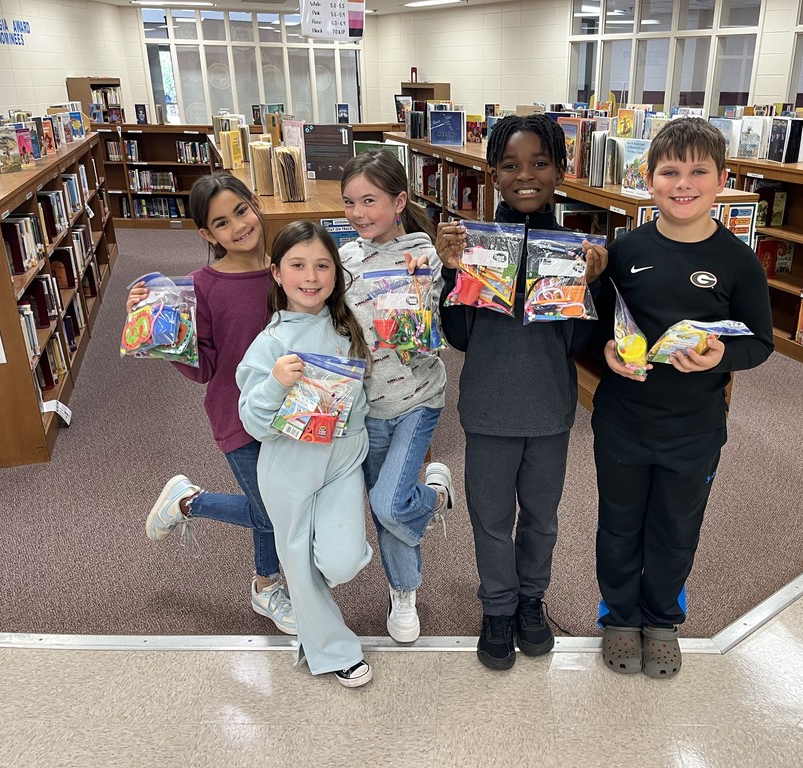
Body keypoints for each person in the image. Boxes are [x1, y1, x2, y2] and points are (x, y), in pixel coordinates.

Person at [592, 117, 774, 678]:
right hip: (623, 419)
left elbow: (761, 343)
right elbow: (597, 328)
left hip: (694, 428)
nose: (684, 184)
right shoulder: (624, 251)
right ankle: (619, 617)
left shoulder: (739, 260)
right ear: (648, 179)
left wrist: (722, 358)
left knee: (675, 529)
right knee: (619, 524)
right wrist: (606, 353)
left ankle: (662, 620)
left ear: (723, 180)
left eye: (699, 171)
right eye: (670, 172)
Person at [435, 114, 608, 671]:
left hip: (549, 410)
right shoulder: (478, 245)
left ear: (560, 171)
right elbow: (460, 337)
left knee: (541, 518)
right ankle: (498, 608)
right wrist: (451, 273)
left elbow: (580, 342)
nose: (525, 175)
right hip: (488, 409)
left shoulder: (574, 249)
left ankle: (531, 600)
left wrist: (590, 284)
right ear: (493, 173)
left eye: (540, 163)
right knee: (490, 518)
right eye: (510, 165)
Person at [127, 173, 295, 636]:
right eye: (222, 223)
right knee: (271, 511)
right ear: (207, 234)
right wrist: (155, 325)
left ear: (255, 203)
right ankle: (190, 503)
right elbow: (201, 368)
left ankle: (266, 582)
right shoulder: (200, 287)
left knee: (281, 502)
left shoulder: (289, 268)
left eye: (241, 211)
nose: (238, 226)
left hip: (294, 413)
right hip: (236, 418)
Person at [236, 220, 374, 688]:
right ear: (277, 274)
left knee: (341, 560)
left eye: (322, 265)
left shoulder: (347, 327)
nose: (311, 277)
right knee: (296, 560)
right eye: (297, 265)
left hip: (342, 461)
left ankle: (306, 592)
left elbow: (360, 399)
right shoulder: (270, 344)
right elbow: (253, 422)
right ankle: (334, 649)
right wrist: (276, 382)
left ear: (337, 271)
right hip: (289, 466)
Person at [338, 150, 455, 644]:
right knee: (384, 502)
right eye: (349, 202)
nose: (358, 213)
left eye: (370, 200)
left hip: (417, 398)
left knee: (388, 504)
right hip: (366, 405)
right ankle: (402, 584)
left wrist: (424, 291)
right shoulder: (344, 260)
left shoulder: (426, 254)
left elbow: (442, 328)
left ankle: (407, 586)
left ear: (400, 201)